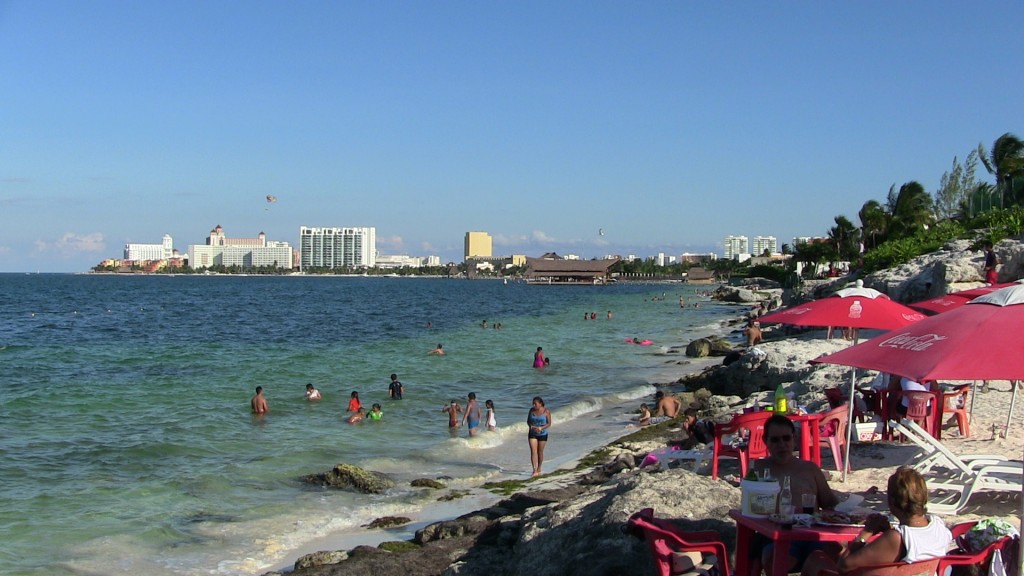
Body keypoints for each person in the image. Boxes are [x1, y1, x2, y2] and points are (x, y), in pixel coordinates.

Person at [800, 467, 952, 576]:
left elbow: (843, 566)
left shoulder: (897, 538)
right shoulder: (939, 526)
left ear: (892, 501)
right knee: (833, 549)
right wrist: (887, 531)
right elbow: (906, 552)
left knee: (816, 559)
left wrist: (866, 533)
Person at [750, 414, 841, 576]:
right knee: (777, 560)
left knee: (835, 555)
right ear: (766, 441)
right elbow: (752, 511)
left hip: (811, 534)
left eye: (786, 438)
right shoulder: (760, 470)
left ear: (794, 439)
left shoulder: (810, 469)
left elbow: (830, 505)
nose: (782, 445)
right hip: (776, 536)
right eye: (775, 440)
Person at [527, 396, 552, 477]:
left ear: (540, 404)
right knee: (533, 451)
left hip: (542, 433)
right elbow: (528, 421)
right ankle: (534, 470)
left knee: (540, 451)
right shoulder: (531, 410)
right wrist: (531, 426)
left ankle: (539, 467)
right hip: (532, 433)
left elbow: (549, 423)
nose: (534, 405)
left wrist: (541, 428)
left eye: (535, 404)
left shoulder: (546, 411)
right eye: (533, 403)